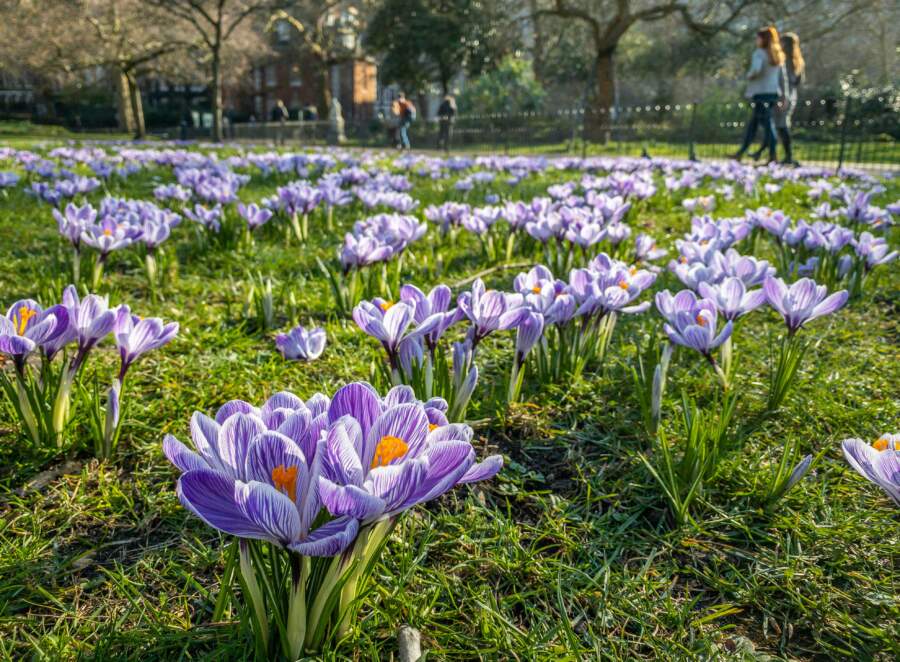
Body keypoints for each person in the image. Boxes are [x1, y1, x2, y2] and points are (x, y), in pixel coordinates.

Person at [731, 26, 786, 164]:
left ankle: (773, 155)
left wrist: (749, 76)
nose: (757, 40)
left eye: (758, 37)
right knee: (755, 124)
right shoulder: (777, 54)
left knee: (767, 124)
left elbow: (756, 70)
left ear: (763, 39)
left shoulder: (759, 53)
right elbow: (781, 77)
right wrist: (783, 96)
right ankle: (741, 152)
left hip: (760, 93)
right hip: (773, 93)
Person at [750, 31, 804, 165]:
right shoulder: (798, 61)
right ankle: (767, 152)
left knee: (779, 125)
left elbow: (781, 79)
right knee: (776, 125)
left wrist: (782, 95)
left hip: (782, 96)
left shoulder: (784, 59)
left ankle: (784, 156)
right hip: (791, 95)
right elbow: (799, 80)